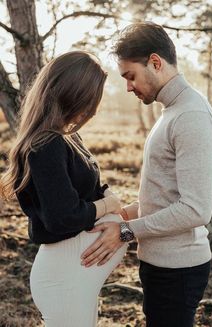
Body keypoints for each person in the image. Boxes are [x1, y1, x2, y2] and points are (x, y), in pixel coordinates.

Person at [81, 22, 212, 327]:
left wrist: (126, 231)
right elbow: (166, 193)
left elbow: (196, 209)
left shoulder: (190, 116)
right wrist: (123, 214)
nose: (128, 87)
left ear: (155, 62)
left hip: (178, 271)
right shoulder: (172, 111)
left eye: (130, 76)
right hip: (161, 266)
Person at [0, 51, 127, 327]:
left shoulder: (68, 138)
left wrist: (108, 198)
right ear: (73, 93)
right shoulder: (45, 146)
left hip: (77, 275)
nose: (93, 109)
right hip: (65, 277)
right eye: (92, 99)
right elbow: (63, 217)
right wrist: (108, 206)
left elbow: (90, 186)